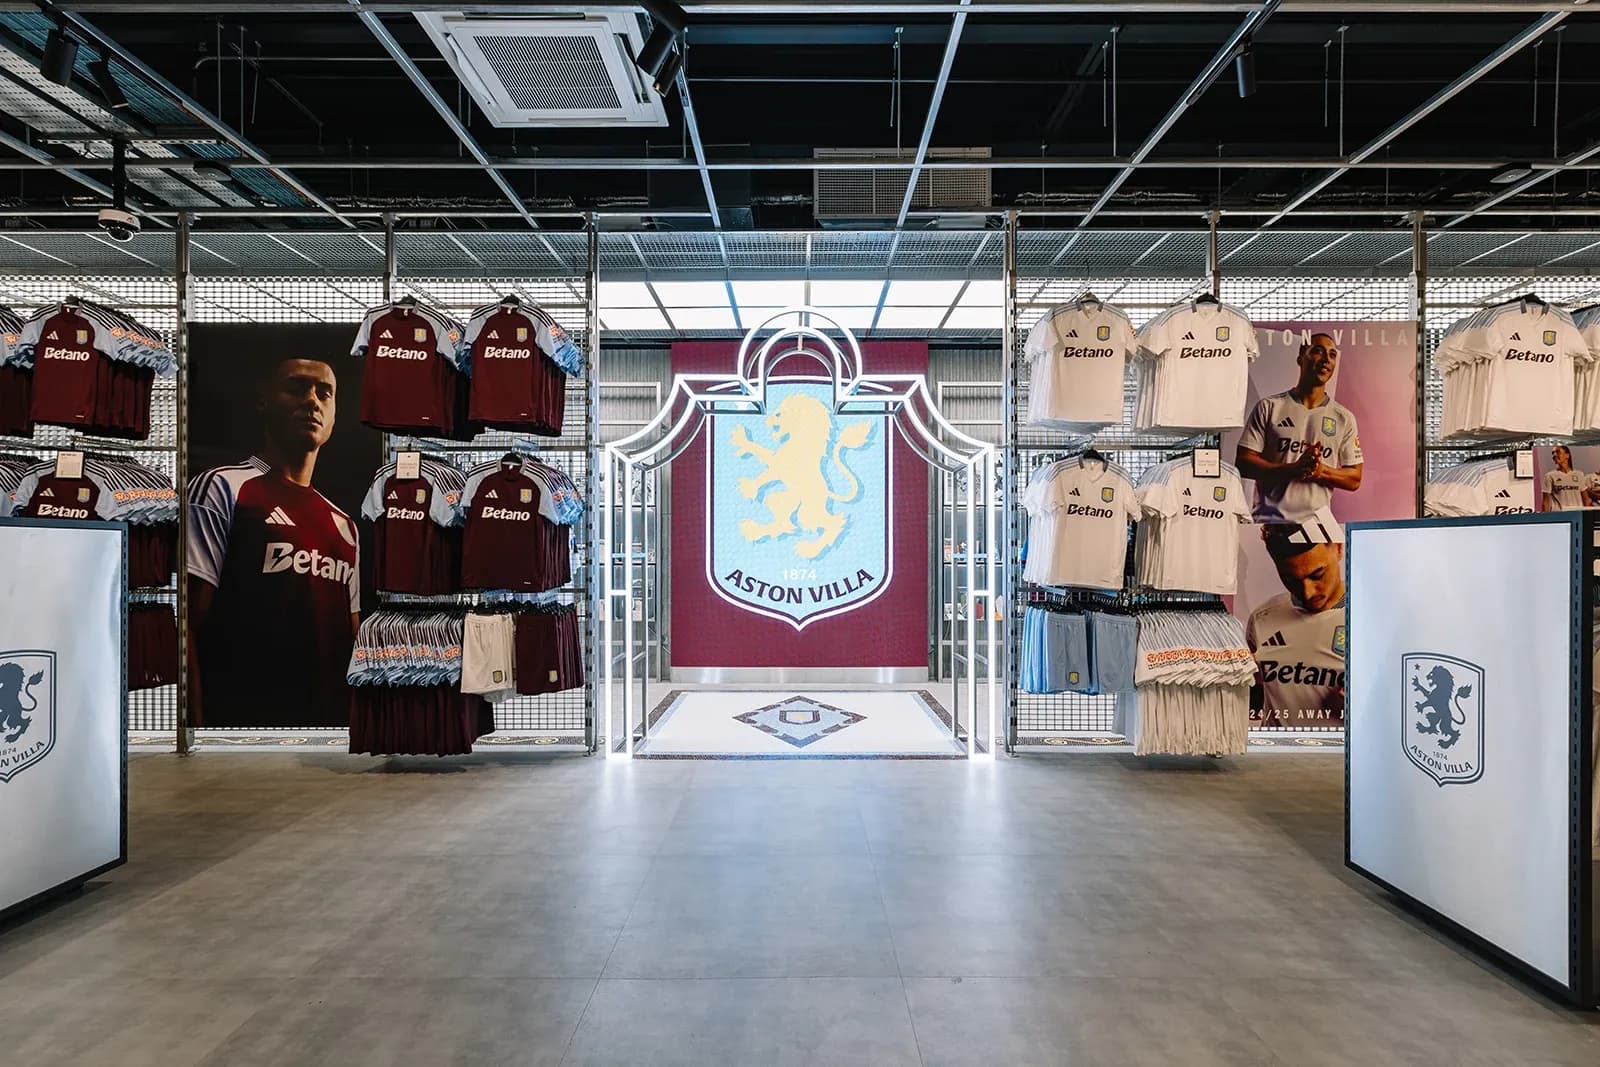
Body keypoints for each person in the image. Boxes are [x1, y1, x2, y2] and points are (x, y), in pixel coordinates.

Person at [186, 358, 360, 728]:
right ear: (264, 401)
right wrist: (195, 730)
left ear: (334, 415)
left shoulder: (345, 524)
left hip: (330, 737)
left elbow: (351, 633)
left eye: (324, 394)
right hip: (244, 731)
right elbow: (187, 623)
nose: (312, 401)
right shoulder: (223, 488)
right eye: (296, 388)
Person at [1236, 332, 1362, 526]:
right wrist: (1292, 469)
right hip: (1269, 525)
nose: (1326, 360)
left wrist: (1321, 471)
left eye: (1332, 355)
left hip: (1317, 527)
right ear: (1301, 357)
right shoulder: (1269, 407)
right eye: (1318, 351)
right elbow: (1244, 463)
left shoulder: (1343, 417)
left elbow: (1354, 478)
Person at [1246, 524, 1346, 728]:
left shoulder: (1370, 619)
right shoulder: (1262, 618)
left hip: (1337, 748)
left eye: (1317, 574)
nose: (1308, 592)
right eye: (1290, 579)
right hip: (1275, 748)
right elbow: (1253, 697)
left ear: (1338, 548)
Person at [1542, 445, 1587, 511]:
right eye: (1553, 453)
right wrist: (1546, 516)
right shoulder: (1549, 476)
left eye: (1558, 452)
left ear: (1567, 455)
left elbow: (1586, 499)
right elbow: (1546, 502)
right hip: (1559, 514)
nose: (1554, 455)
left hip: (1577, 514)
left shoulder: (1579, 474)